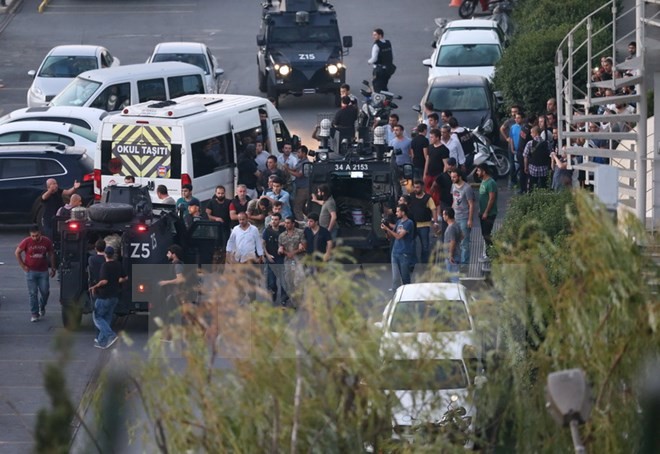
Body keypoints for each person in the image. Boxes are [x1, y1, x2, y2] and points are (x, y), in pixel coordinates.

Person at [15, 225, 56, 322]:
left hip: (43, 271)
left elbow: (51, 254)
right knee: (33, 293)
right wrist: (22, 265)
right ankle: (34, 313)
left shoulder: (47, 241)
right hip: (30, 271)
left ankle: (42, 306)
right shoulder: (26, 241)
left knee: (45, 292)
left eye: (36, 235)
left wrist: (53, 268)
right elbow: (17, 252)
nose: (34, 238)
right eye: (32, 236)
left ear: (40, 233)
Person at [89, 246, 127, 349]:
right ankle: (102, 341)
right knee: (107, 317)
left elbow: (104, 281)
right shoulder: (118, 264)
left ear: (105, 254)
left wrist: (95, 286)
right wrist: (117, 281)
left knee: (97, 317)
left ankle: (111, 335)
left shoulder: (105, 266)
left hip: (104, 295)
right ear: (113, 254)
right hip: (115, 296)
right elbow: (125, 277)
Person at [382, 204, 414, 291]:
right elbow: (391, 235)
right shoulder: (398, 222)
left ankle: (407, 291)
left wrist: (388, 229)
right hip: (395, 252)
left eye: (398, 211)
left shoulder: (409, 223)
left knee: (405, 276)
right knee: (395, 276)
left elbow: (399, 236)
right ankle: (395, 290)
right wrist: (386, 229)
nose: (396, 213)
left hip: (404, 253)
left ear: (403, 212)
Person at [407, 180, 437, 266]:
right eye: (414, 187)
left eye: (418, 187)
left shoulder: (428, 198)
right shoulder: (411, 196)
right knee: (412, 245)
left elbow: (433, 209)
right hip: (413, 225)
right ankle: (413, 263)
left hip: (424, 225)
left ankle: (424, 264)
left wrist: (435, 222)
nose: (415, 189)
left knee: (425, 247)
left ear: (422, 187)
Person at [278, 216, 306, 306]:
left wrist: (294, 252)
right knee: (289, 281)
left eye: (288, 223)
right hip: (288, 261)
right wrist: (284, 252)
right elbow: (280, 248)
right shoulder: (282, 235)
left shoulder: (300, 233)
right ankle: (294, 301)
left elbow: (304, 247)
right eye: (285, 223)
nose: (286, 224)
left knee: (298, 281)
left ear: (293, 224)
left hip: (298, 260)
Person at [450, 169, 475, 266]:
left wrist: (470, 219)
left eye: (454, 177)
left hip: (464, 217)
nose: (452, 179)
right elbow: (454, 200)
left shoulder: (467, 188)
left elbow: (471, 204)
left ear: (459, 177)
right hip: (455, 216)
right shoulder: (453, 186)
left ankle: (465, 263)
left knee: (464, 242)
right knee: (455, 241)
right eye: (451, 177)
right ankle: (457, 261)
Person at [262, 213, 287, 305]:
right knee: (271, 281)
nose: (273, 221)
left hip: (281, 258)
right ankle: (273, 296)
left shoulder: (283, 231)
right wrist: (267, 255)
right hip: (271, 258)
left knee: (283, 281)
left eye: (276, 219)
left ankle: (284, 300)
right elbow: (263, 244)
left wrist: (283, 249)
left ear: (279, 221)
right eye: (272, 219)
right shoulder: (267, 231)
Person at [476, 164, 498, 264]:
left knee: (486, 234)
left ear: (484, 171)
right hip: (482, 212)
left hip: (489, 214)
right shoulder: (483, 182)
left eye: (478, 171)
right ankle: (490, 253)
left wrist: (486, 212)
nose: (477, 173)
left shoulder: (491, 183)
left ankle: (491, 254)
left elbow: (492, 198)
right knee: (485, 234)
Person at [368, 28, 395, 93]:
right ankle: (387, 99)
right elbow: (391, 55)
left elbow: (374, 58)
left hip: (379, 70)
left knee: (377, 88)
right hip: (388, 69)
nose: (373, 37)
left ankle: (380, 101)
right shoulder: (388, 43)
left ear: (380, 35)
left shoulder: (376, 45)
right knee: (384, 86)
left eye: (375, 35)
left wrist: (369, 61)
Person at [287, 145, 310, 221]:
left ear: (304, 153)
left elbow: (299, 174)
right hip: (299, 187)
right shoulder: (300, 162)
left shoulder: (306, 163)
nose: (297, 154)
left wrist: (288, 170)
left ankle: (301, 223)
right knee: (302, 208)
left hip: (303, 188)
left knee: (297, 207)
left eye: (299, 152)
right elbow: (294, 169)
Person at [442, 207, 463, 283]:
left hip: (452, 257)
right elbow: (462, 236)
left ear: (447, 216)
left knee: (454, 278)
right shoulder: (456, 224)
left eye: (444, 215)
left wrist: (450, 255)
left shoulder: (450, 228)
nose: (443, 216)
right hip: (457, 253)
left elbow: (452, 241)